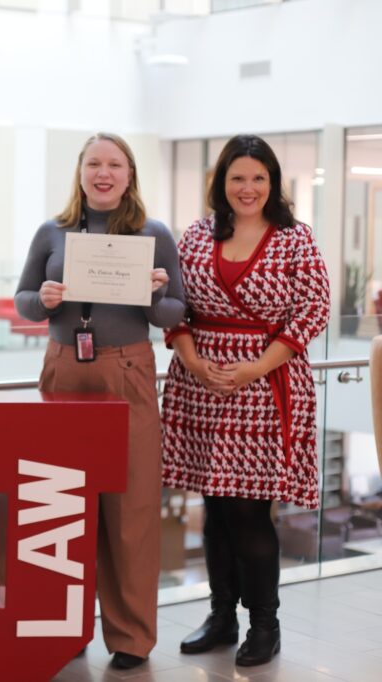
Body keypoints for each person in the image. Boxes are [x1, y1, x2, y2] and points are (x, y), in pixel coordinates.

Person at [14, 132, 185, 670]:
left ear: (129, 174)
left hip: (128, 370)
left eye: (114, 164)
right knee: (60, 506)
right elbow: (24, 299)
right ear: (81, 172)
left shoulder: (153, 233)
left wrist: (157, 293)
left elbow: (174, 313)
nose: (103, 173)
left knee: (130, 509)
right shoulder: (53, 231)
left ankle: (131, 639)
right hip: (65, 370)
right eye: (94, 164)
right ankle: (65, 629)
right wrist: (40, 299)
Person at [161, 134, 329, 666]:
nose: (248, 188)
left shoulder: (295, 239)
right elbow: (173, 306)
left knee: (250, 513)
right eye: (238, 178)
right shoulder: (193, 237)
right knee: (212, 508)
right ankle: (221, 616)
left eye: (259, 178)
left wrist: (256, 366)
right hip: (201, 383)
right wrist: (190, 358)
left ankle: (265, 624)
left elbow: (314, 309)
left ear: (273, 183)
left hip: (266, 382)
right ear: (222, 183)